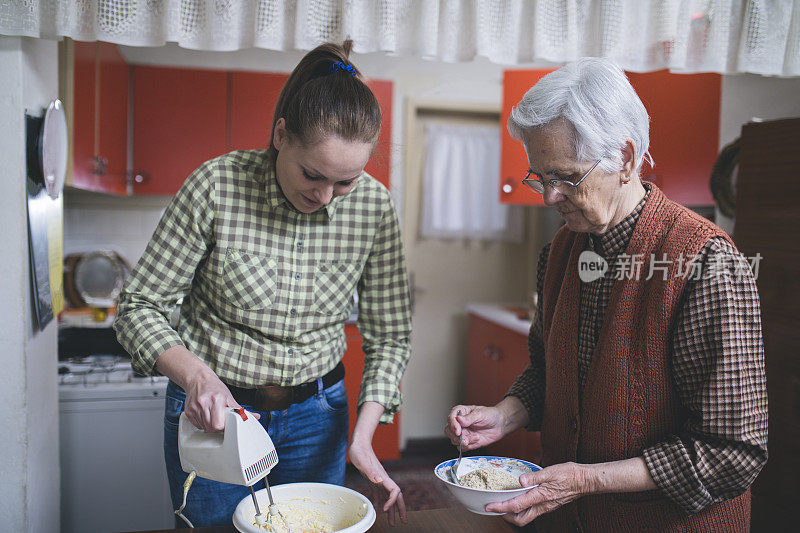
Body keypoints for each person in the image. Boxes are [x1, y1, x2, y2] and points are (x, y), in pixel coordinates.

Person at [445, 57, 767, 532]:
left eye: (565, 177)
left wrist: (587, 481)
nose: (548, 197)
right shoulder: (560, 252)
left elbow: (731, 453)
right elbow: (547, 370)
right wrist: (503, 415)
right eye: (540, 177)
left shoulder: (705, 263)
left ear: (626, 159)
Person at [114, 41, 411, 527]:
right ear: (280, 135)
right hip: (214, 416)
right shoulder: (216, 186)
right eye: (313, 175)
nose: (325, 197)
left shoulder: (375, 209)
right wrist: (197, 377)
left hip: (318, 418)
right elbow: (139, 306)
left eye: (346, 183)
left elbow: (391, 335)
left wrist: (363, 433)